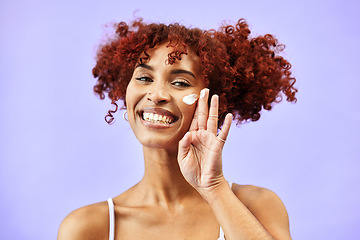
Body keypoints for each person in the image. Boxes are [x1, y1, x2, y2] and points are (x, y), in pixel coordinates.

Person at [58, 18, 297, 240]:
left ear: (215, 101)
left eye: (180, 83)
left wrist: (214, 187)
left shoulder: (257, 206)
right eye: (143, 78)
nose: (156, 95)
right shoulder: (89, 227)